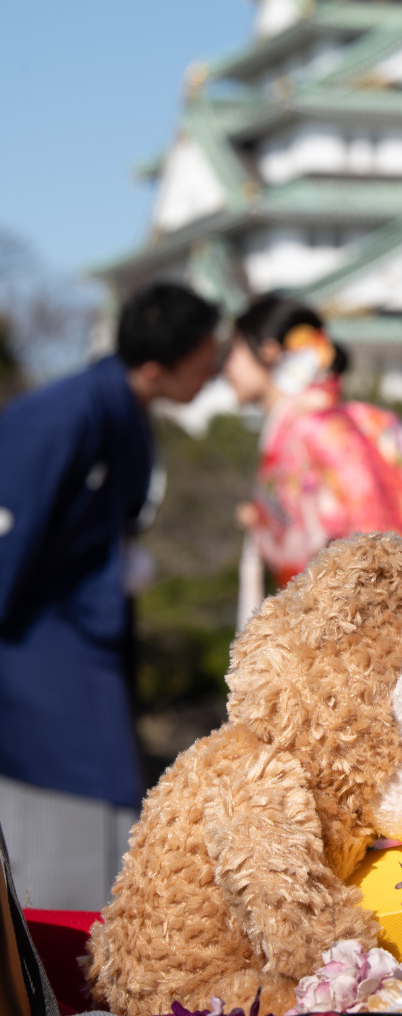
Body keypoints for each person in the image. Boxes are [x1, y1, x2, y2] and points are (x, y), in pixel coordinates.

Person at [0, 281, 219, 909]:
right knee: (67, 838)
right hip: (36, 651)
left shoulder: (116, 407)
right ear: (156, 366)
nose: (211, 373)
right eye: (203, 362)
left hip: (79, 636)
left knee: (106, 825)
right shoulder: (62, 414)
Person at [224, 295, 402, 651]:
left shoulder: (307, 434)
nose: (225, 368)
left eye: (232, 352)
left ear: (269, 352)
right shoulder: (373, 421)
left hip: (374, 644)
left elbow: (361, 535)